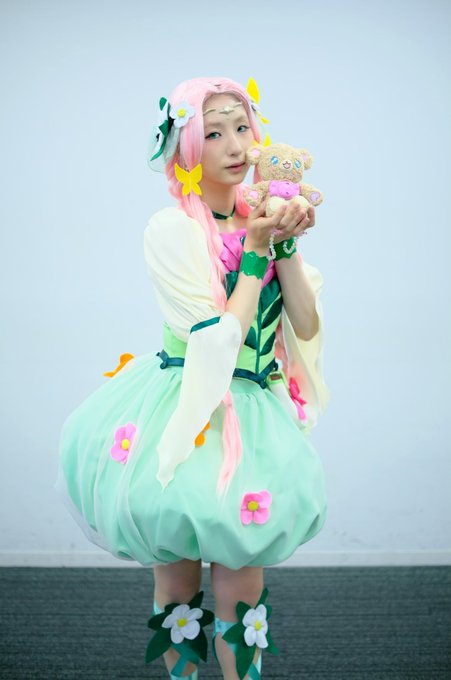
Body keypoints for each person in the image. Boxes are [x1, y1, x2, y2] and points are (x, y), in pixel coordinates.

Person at [55, 76, 330, 680]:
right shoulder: (172, 229)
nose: (235, 145)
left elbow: (306, 325)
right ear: (185, 147)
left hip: (252, 419)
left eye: (241, 127)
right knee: (178, 586)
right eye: (213, 132)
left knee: (243, 589)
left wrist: (283, 246)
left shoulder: (263, 219)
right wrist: (255, 250)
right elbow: (218, 338)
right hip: (187, 412)